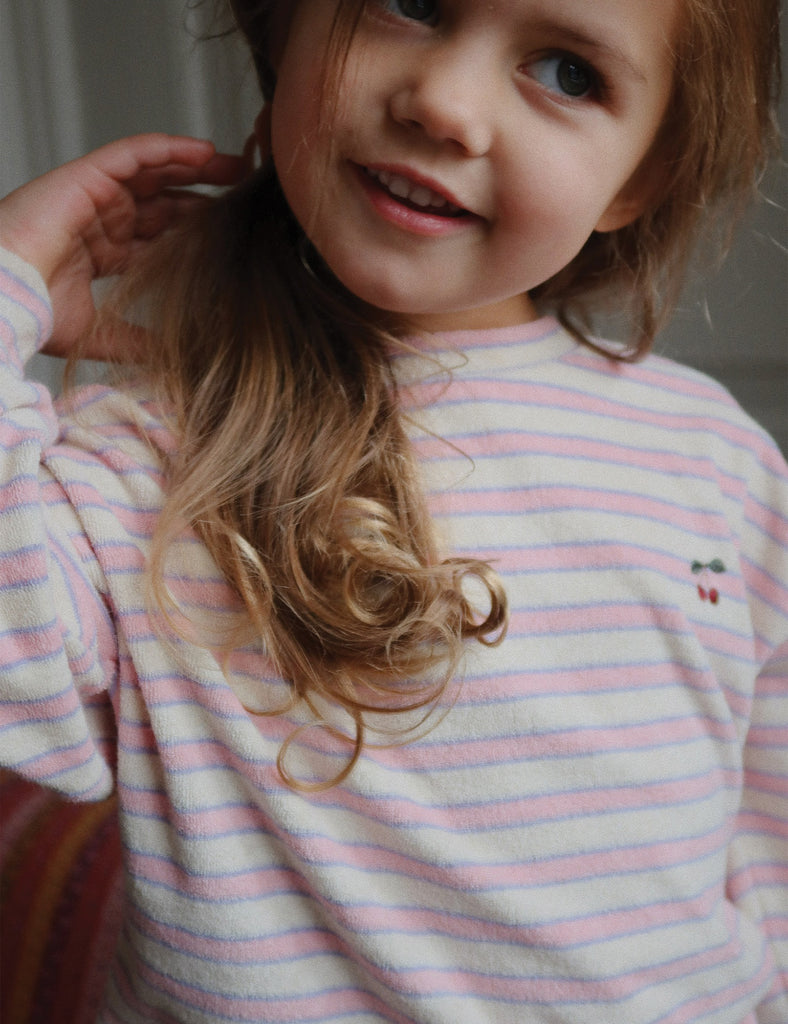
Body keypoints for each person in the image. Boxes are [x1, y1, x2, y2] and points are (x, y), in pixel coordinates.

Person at [0, 0, 785, 1020]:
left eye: (566, 72)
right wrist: (8, 273)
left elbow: (768, 829)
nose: (444, 105)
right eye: (409, 2)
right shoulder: (143, 464)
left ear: (640, 176)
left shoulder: (716, 459)